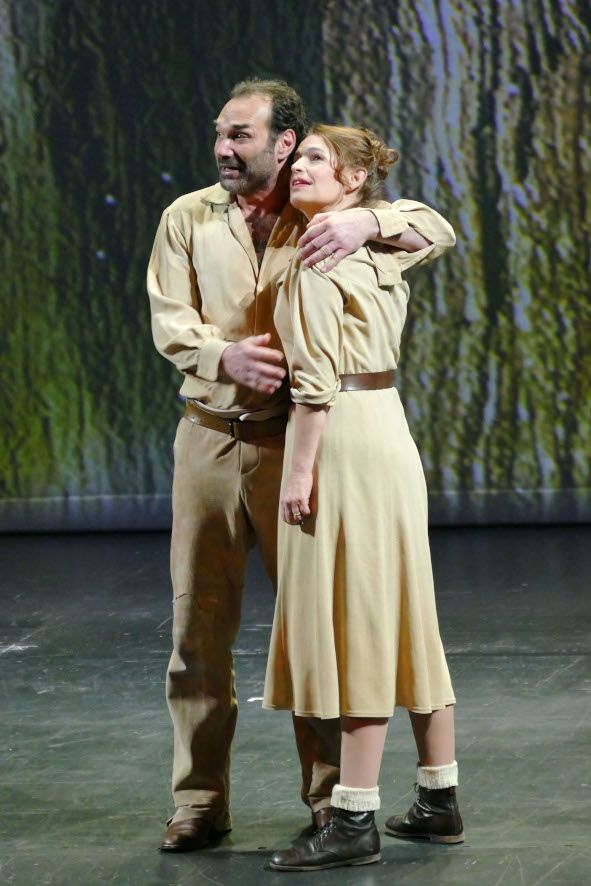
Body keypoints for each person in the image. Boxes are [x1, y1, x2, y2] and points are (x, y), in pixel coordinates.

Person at [147, 78, 420, 852]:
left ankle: (333, 801)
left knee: (314, 629)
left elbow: (429, 229)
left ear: (285, 143)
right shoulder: (188, 217)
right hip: (206, 438)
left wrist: (369, 217)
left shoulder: (323, 218)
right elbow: (170, 318)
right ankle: (198, 801)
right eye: (220, 133)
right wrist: (220, 352)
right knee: (197, 630)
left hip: (296, 446)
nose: (222, 149)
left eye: (239, 135)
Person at [262, 124, 463, 872]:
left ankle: (352, 817)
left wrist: (296, 473)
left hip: (343, 433)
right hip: (389, 430)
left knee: (359, 624)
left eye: (315, 158)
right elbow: (434, 229)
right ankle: (438, 798)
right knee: (404, 609)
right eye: (298, 159)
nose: (297, 168)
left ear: (352, 179)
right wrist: (374, 221)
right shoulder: (380, 243)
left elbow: (312, 385)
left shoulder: (321, 251)